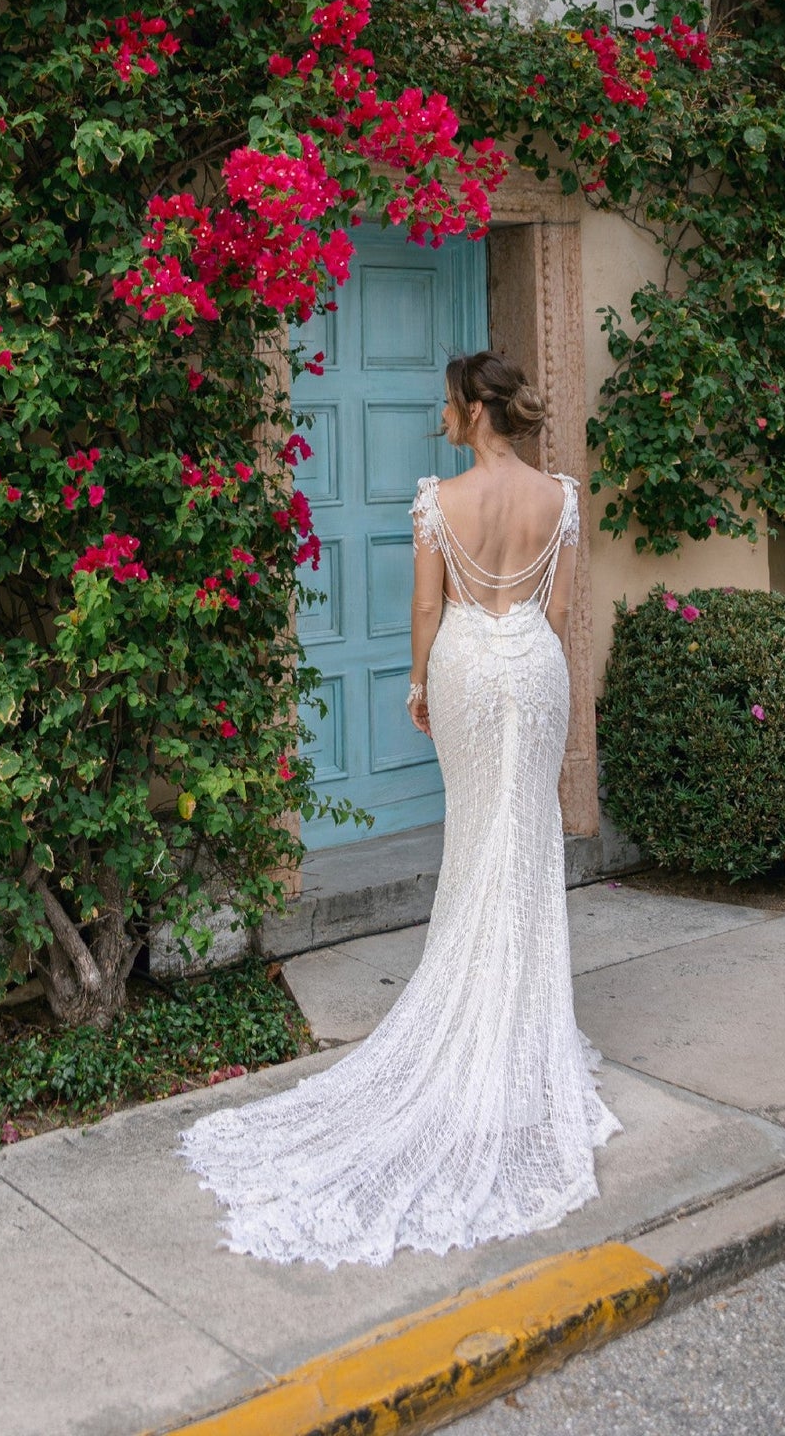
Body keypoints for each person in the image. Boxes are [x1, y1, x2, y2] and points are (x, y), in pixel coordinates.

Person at [178, 349, 620, 1267]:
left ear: (472, 410)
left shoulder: (437, 501)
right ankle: (518, 1035)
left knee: (479, 841)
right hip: (535, 672)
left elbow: (428, 607)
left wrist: (419, 683)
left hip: (464, 662)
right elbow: (559, 610)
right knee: (525, 838)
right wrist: (518, 655)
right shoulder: (561, 499)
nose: (441, 417)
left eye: (449, 404)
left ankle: (483, 1029)